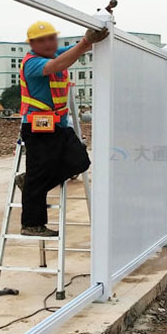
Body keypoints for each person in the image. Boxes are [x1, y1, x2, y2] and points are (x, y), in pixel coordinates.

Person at [16, 21, 108, 236]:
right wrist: (85, 42)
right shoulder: (32, 63)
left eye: (51, 38)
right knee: (39, 176)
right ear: (32, 44)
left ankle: (27, 180)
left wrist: (93, 37)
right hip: (37, 127)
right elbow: (56, 66)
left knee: (80, 160)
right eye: (41, 40)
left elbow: (81, 48)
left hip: (58, 124)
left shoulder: (55, 54)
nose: (48, 43)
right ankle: (32, 224)